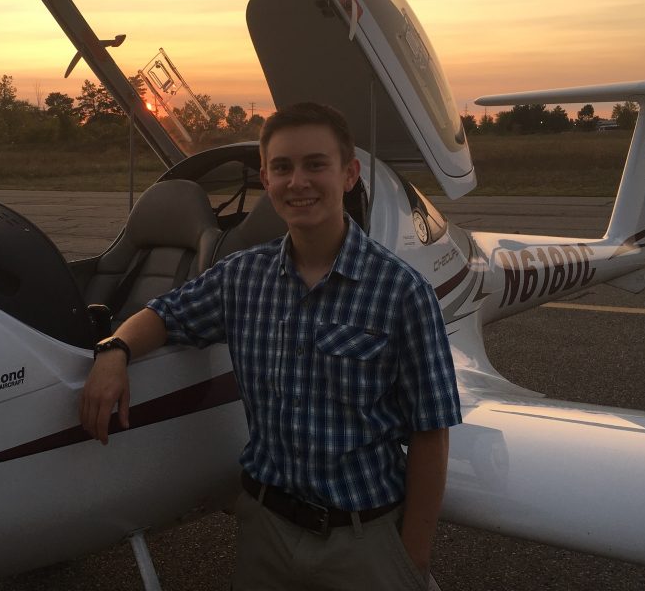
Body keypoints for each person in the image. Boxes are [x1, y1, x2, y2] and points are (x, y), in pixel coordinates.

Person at [80, 102, 461, 590]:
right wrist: (114, 350)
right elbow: (164, 314)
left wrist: (412, 558)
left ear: (349, 175)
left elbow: (431, 434)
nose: (297, 182)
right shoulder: (242, 277)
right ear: (266, 179)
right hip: (266, 531)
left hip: (363, 536)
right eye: (282, 168)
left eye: (315, 165)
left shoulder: (403, 292)